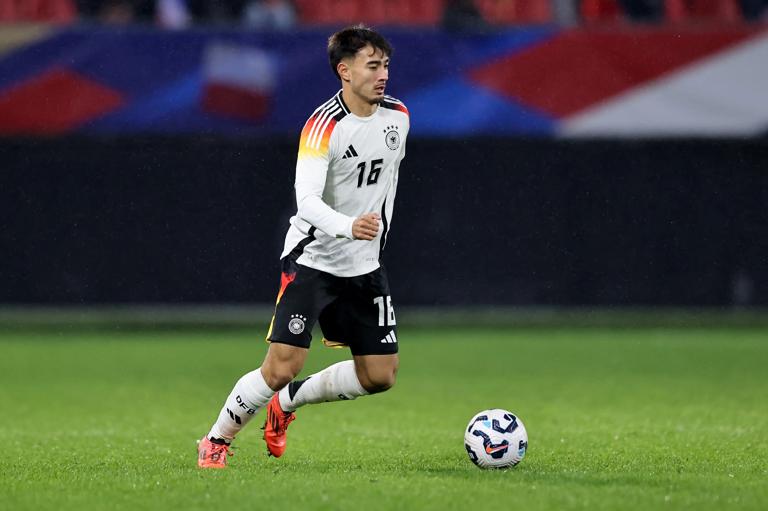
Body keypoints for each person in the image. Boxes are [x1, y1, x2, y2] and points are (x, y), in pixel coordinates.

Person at [197, 25, 409, 469]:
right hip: (313, 260)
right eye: (373, 66)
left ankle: (288, 404)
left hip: (365, 265)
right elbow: (307, 202)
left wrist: (364, 237)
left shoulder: (398, 117)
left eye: (386, 64)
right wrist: (350, 226)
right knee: (280, 367)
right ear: (344, 71)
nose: (383, 74)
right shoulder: (321, 127)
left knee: (380, 375)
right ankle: (216, 439)